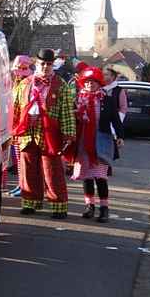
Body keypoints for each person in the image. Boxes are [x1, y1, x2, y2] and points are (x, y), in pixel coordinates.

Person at [11, 48, 76, 219]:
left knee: (52, 169)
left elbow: (67, 112)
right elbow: (16, 108)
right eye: (42, 64)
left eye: (49, 64)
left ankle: (58, 205)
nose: (46, 67)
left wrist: (68, 134)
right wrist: (13, 130)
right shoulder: (24, 84)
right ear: (36, 64)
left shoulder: (61, 85)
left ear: (52, 65)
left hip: (50, 132)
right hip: (27, 131)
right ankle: (30, 203)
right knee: (28, 168)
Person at [68, 67, 124, 223]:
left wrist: (120, 136)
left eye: (92, 82)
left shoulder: (106, 99)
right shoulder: (78, 99)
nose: (89, 85)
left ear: (99, 84)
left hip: (101, 142)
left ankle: (104, 209)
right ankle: (89, 206)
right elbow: (72, 119)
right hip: (83, 142)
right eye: (87, 82)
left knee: (100, 177)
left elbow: (116, 120)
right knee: (87, 177)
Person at [8, 55, 33, 197]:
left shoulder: (29, 85)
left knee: (23, 159)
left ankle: (24, 186)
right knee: (18, 159)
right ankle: (20, 184)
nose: (18, 75)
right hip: (15, 126)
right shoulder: (16, 85)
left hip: (23, 127)